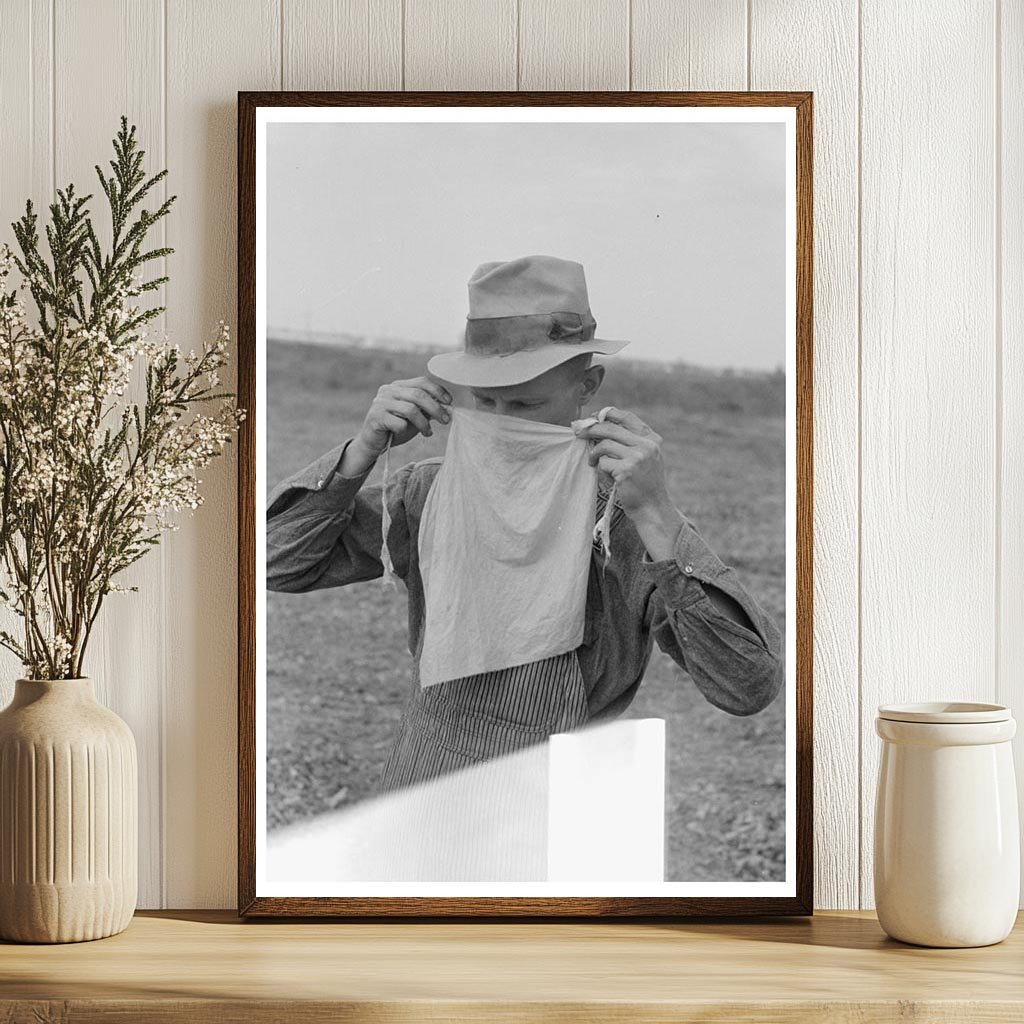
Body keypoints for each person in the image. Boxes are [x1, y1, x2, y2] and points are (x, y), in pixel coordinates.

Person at [267, 254, 784, 795]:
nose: (503, 421)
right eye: (486, 400)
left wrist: (656, 511)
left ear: (589, 385)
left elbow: (748, 686)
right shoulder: (431, 493)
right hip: (429, 783)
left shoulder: (627, 519)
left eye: (527, 402)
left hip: (570, 799)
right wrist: (361, 451)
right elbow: (275, 562)